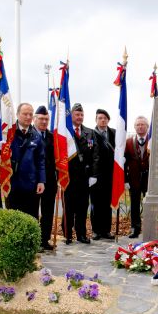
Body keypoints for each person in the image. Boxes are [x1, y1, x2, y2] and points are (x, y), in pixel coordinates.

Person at [63, 103, 96, 244]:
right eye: (77, 114)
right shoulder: (66, 132)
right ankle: (67, 234)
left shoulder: (90, 132)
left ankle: (81, 234)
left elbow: (95, 155)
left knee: (82, 208)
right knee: (69, 207)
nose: (80, 117)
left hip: (84, 176)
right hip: (69, 176)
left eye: (82, 114)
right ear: (71, 116)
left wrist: (93, 175)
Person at [6, 103, 46, 219]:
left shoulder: (36, 136)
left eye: (30, 114)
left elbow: (40, 161)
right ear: (17, 114)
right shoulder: (8, 133)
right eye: (25, 114)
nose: (28, 117)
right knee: (13, 218)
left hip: (31, 185)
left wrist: (41, 181)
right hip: (12, 184)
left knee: (32, 217)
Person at [90, 108, 116, 240]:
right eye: (100, 118)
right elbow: (90, 154)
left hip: (110, 175)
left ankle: (106, 230)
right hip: (96, 176)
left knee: (107, 204)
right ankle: (96, 230)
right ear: (96, 120)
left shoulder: (114, 133)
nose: (103, 120)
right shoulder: (91, 134)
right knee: (96, 204)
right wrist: (91, 175)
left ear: (108, 120)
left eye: (105, 118)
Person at [33, 105, 56, 251]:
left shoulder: (52, 136)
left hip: (50, 180)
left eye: (46, 119)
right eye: (41, 119)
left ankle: (44, 239)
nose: (43, 122)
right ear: (35, 119)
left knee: (48, 212)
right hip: (34, 180)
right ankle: (34, 240)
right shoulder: (30, 134)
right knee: (34, 211)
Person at [124, 116, 150, 239]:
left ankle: (150, 227)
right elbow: (123, 162)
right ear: (134, 127)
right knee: (134, 205)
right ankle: (135, 228)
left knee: (149, 204)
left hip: (149, 180)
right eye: (138, 125)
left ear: (147, 126)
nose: (140, 127)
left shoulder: (153, 141)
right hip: (133, 179)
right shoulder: (128, 142)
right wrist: (125, 180)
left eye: (142, 124)